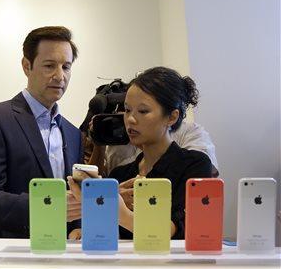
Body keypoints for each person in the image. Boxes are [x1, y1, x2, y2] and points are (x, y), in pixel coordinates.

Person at [0, 26, 83, 239]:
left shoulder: (74, 134)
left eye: (66, 67)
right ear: (26, 66)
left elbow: (72, 205)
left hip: (63, 255)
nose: (60, 76)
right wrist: (49, 206)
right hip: (8, 256)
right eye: (49, 66)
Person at [69, 66, 212, 239]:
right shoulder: (121, 174)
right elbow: (113, 235)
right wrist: (85, 233)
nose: (130, 119)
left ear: (172, 117)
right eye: (128, 110)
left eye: (143, 111)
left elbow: (176, 230)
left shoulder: (194, 165)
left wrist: (118, 212)